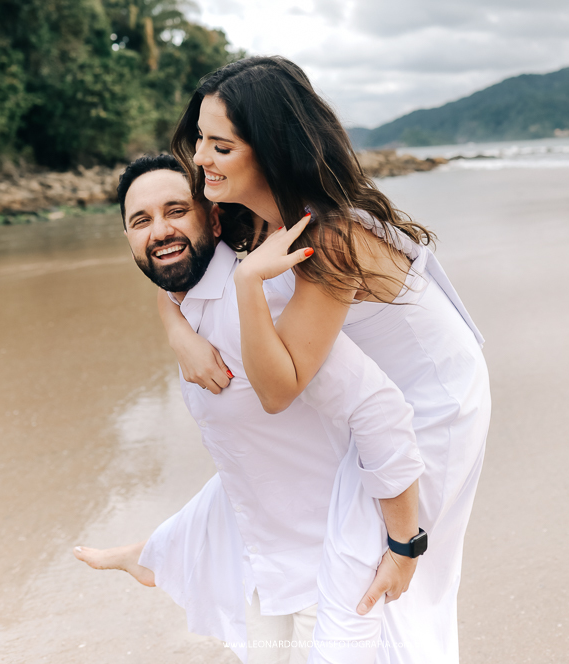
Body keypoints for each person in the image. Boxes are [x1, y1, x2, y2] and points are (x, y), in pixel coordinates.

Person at [159, 56, 491, 664]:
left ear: (270, 150)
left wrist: (248, 286)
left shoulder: (327, 236)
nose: (200, 158)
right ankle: (174, 554)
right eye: (200, 139)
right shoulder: (256, 219)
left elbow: (278, 390)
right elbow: (175, 272)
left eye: (221, 146)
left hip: (432, 407)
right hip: (374, 399)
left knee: (375, 584)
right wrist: (177, 331)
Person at [75, 154, 426, 664]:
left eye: (177, 211)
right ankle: (158, 553)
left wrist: (404, 547)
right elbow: (245, 460)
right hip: (267, 569)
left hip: (338, 570)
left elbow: (381, 411)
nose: (160, 230)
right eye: (141, 220)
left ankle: (155, 554)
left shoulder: (260, 305)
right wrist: (175, 328)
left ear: (214, 219)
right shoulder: (190, 310)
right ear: (128, 238)